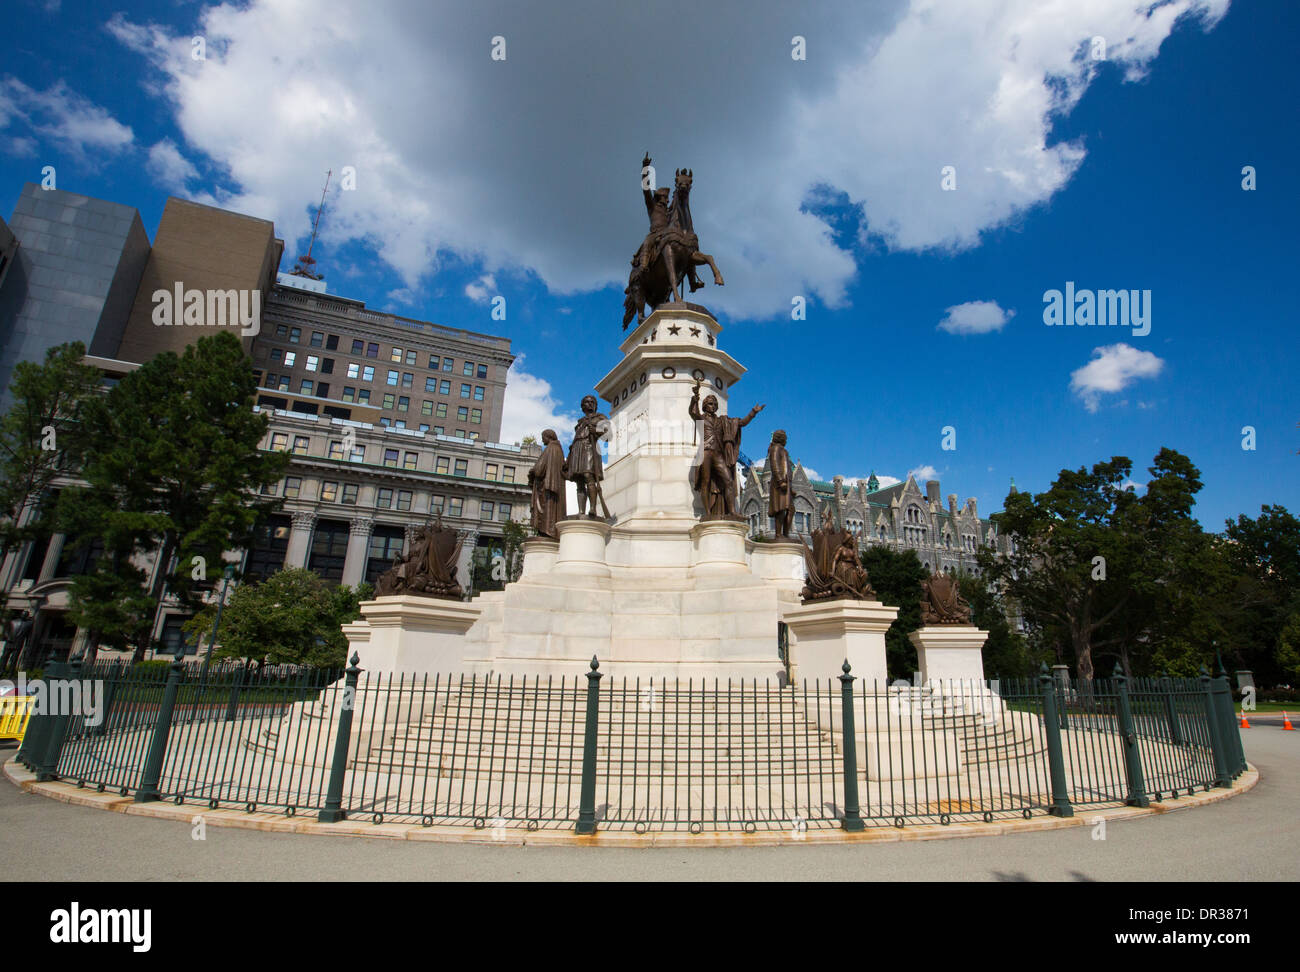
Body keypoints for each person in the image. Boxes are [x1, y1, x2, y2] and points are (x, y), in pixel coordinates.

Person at [689, 379, 763, 518]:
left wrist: (753, 412)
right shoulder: (701, 418)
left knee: (728, 481)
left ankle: (733, 511)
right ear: (705, 406)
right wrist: (695, 398)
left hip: (718, 455)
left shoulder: (723, 421)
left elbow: (741, 423)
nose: (713, 406)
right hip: (705, 452)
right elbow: (693, 412)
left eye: (715, 404)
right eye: (710, 404)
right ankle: (708, 513)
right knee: (705, 482)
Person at [567, 395, 609, 518]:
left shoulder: (600, 417)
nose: (589, 404)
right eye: (587, 402)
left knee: (588, 475)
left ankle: (592, 509)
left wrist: (596, 430)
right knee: (578, 480)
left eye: (592, 402)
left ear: (595, 405)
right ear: (582, 406)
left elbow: (609, 434)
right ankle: (581, 511)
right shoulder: (580, 422)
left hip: (590, 447)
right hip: (578, 448)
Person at [528, 429, 567, 538]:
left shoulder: (550, 449)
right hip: (555, 487)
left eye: (543, 437)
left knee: (546, 510)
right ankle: (552, 531)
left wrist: (532, 472)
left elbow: (539, 470)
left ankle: (546, 531)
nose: (542, 439)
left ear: (548, 437)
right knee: (553, 509)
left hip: (546, 487)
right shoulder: (559, 450)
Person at [766, 430, 792, 538]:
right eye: (785, 438)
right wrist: (781, 481)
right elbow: (775, 465)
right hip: (779, 484)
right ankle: (779, 534)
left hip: (786, 485)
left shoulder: (783, 450)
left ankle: (785, 534)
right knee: (780, 510)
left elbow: (786, 468)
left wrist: (791, 488)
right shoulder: (776, 449)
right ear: (781, 438)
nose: (786, 440)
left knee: (790, 509)